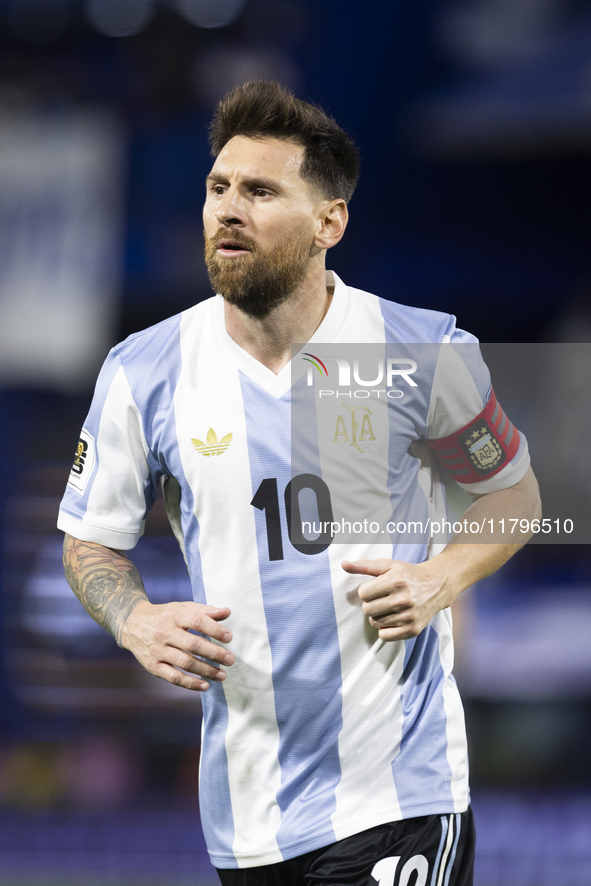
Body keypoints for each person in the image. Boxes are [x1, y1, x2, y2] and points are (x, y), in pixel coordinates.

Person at [58, 80, 541, 886]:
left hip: (396, 791)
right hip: (245, 817)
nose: (227, 209)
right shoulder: (144, 371)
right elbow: (90, 540)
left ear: (329, 222)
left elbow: (513, 493)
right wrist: (134, 618)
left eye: (259, 190)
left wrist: (438, 577)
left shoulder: (420, 350)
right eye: (217, 188)